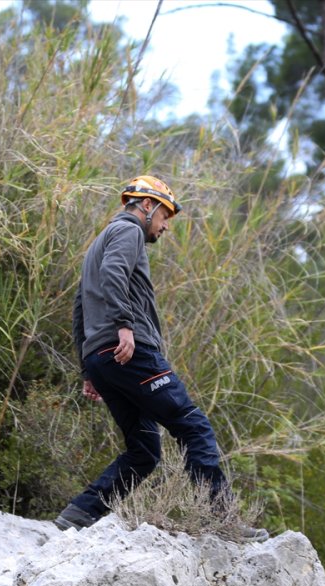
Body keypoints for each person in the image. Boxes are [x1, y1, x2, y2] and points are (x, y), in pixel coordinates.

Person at [55, 175, 263, 540]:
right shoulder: (128, 230)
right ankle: (223, 520)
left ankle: (80, 512)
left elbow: (79, 308)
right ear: (148, 205)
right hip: (130, 353)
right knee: (193, 426)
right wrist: (124, 325)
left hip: (102, 359)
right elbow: (114, 274)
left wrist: (88, 368)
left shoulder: (98, 243)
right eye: (166, 216)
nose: (166, 226)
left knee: (145, 450)